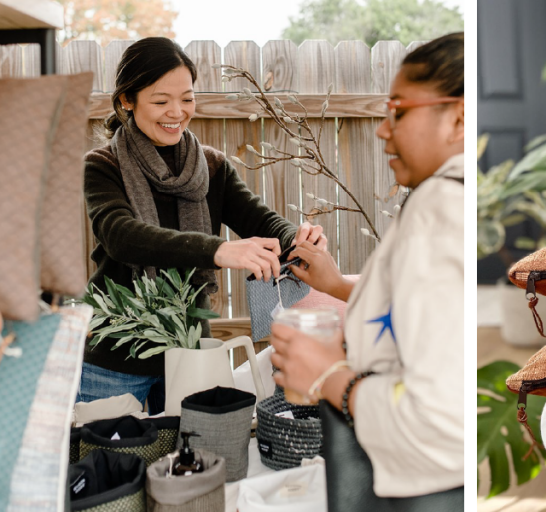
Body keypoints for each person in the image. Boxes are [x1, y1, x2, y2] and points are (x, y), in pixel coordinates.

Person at [78, 37, 324, 413]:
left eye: (187, 99)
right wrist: (218, 249)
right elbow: (121, 235)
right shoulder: (102, 165)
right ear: (127, 100)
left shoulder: (211, 166)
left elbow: (260, 219)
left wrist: (298, 237)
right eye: (160, 101)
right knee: (102, 463)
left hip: (192, 351)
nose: (176, 112)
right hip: (116, 358)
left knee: (198, 463)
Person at [269, 32, 464, 502]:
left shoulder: (441, 207)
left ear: (457, 117)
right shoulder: (442, 199)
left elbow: (441, 423)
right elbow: (427, 320)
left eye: (398, 109)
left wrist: (330, 377)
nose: (382, 128)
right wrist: (336, 285)